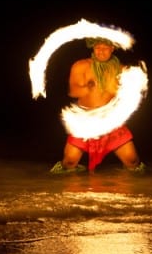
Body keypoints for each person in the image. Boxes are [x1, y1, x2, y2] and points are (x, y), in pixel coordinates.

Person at [50, 37, 145, 174]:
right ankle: (65, 192)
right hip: (85, 121)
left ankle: (137, 189)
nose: (101, 51)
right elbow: (73, 90)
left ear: (112, 48)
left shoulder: (121, 69)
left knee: (132, 161)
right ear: (93, 48)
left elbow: (129, 94)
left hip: (111, 122)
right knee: (70, 161)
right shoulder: (81, 66)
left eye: (105, 48)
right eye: (97, 47)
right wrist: (86, 88)